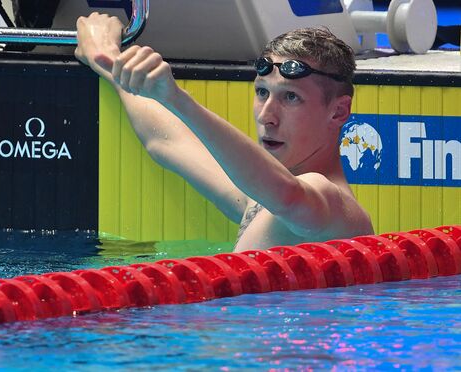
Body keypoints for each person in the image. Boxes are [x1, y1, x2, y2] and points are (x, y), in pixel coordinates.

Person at [75, 13, 374, 252]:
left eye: (291, 97)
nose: (267, 116)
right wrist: (107, 58)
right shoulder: (258, 202)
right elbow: (166, 141)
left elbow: (288, 195)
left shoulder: (332, 206)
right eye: (261, 92)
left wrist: (175, 97)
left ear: (338, 112)